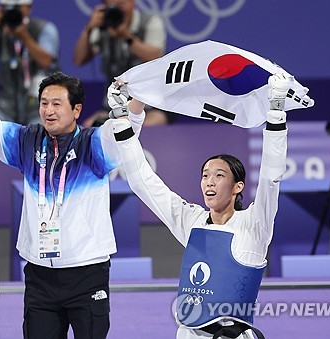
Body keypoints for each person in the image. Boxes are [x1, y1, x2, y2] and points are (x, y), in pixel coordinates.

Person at [0, 72, 146, 338]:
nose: (48, 110)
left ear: (76, 109)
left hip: (87, 272)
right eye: (44, 103)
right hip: (39, 275)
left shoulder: (94, 145)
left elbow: (125, 132)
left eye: (57, 103)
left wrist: (141, 99)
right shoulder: (26, 141)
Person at [110, 74, 290, 338]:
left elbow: (270, 179)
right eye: (205, 174)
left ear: (238, 186)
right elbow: (143, 183)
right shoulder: (192, 222)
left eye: (219, 175)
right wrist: (120, 121)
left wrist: (276, 111)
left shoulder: (254, 225)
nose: (209, 181)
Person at [73, 0, 173, 127]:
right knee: (90, 125)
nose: (120, 2)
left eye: (124, 0)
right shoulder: (104, 26)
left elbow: (154, 57)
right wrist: (89, 29)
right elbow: (79, 59)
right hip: (116, 105)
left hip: (152, 105)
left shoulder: (149, 22)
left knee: (146, 125)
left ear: (133, 2)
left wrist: (126, 36)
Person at [0, 0, 60, 124]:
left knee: (44, 129)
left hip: (39, 108)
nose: (13, 11)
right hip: (5, 107)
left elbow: (47, 61)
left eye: (17, 7)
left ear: (29, 7)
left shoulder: (44, 29)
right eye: (7, 7)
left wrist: (24, 36)